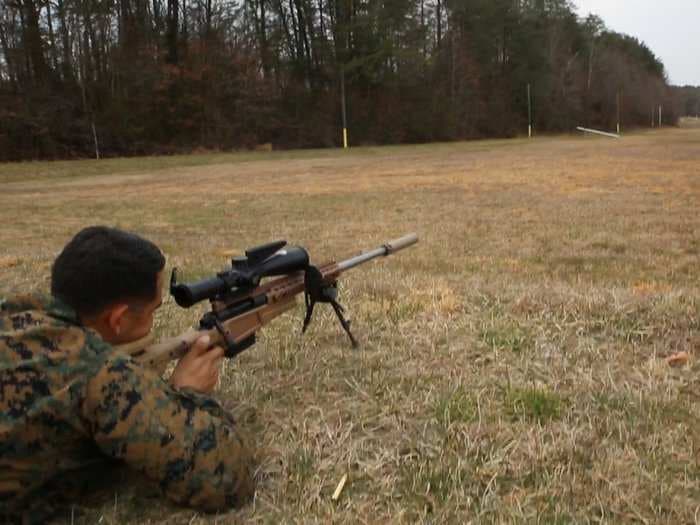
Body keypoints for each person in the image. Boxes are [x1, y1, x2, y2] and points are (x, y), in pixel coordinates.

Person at [0, 226, 255, 523]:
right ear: (118, 319)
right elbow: (225, 480)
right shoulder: (99, 374)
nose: (152, 322)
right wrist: (190, 394)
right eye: (152, 311)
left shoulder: (15, 313)